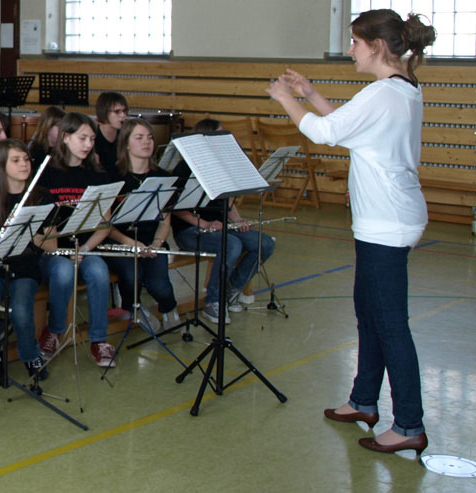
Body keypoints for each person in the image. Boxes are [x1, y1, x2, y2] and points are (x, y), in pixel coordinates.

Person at [265, 9, 435, 456]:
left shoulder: (383, 93)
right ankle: (363, 399)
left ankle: (409, 424)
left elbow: (323, 133)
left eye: (355, 42)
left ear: (376, 46)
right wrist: (311, 92)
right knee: (369, 313)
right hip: (389, 218)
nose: (349, 50)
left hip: (388, 223)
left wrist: (286, 98)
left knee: (390, 325)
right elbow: (349, 131)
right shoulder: (401, 89)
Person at [170, 117, 275, 324]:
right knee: (232, 244)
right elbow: (176, 209)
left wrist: (237, 219)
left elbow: (228, 201)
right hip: (191, 230)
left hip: (220, 227)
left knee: (264, 243)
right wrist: (206, 224)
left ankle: (232, 290)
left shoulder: (220, 165)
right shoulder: (183, 169)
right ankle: (213, 301)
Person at [36, 112, 115, 367]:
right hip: (53, 251)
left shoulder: (96, 173)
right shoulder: (46, 171)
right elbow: (36, 224)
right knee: (62, 272)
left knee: (99, 272)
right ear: (66, 137)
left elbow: (105, 223)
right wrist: (60, 250)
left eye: (92, 139)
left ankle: (99, 340)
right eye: (82, 138)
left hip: (85, 247)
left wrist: (86, 248)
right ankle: (55, 330)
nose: (88, 144)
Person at [0, 139, 49, 380]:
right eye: (16, 160)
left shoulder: (40, 197)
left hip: (26, 268)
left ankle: (30, 355)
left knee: (20, 310)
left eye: (26, 159)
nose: (24, 165)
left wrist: (29, 232)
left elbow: (51, 244)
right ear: (2, 166)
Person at [103, 118, 178, 327]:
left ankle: (169, 307)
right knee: (131, 273)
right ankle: (134, 307)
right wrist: (131, 243)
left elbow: (165, 220)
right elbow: (105, 225)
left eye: (150, 137)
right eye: (139, 137)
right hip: (119, 242)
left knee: (159, 286)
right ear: (126, 143)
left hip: (152, 242)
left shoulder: (162, 176)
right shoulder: (111, 176)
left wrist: (157, 243)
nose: (147, 142)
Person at [94, 92, 128, 178]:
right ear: (104, 112)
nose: (123, 115)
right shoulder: (93, 136)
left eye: (124, 111)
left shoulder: (124, 134)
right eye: (117, 112)